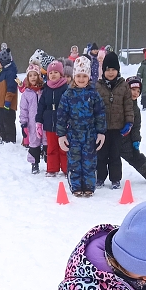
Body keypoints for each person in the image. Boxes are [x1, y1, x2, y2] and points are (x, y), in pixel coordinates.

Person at [56, 56, 106, 197]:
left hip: (90, 134)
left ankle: (89, 186)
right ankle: (76, 186)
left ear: (89, 77)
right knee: (74, 161)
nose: (81, 79)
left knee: (89, 161)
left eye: (84, 76)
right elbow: (61, 116)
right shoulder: (68, 94)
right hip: (73, 135)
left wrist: (101, 132)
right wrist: (61, 135)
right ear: (74, 76)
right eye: (78, 76)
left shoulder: (94, 94)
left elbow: (100, 113)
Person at [95, 51, 134, 190]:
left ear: (118, 70)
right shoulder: (98, 86)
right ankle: (99, 177)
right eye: (108, 70)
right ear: (103, 71)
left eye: (113, 69)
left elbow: (129, 105)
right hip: (102, 129)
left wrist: (129, 122)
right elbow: (94, 107)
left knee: (115, 155)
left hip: (118, 128)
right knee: (101, 155)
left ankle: (115, 179)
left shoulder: (123, 86)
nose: (110, 73)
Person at [120, 76, 146, 184]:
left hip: (126, 140)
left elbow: (136, 127)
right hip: (112, 137)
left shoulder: (136, 109)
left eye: (138, 91)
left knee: (136, 157)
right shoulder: (118, 103)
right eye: (133, 89)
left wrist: (135, 141)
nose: (135, 93)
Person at [35, 60, 69, 177]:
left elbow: (70, 106)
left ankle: (66, 169)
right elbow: (41, 106)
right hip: (49, 123)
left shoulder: (66, 88)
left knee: (64, 148)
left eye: (56, 72)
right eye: (51, 73)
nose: (53, 74)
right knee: (51, 148)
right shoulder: (46, 89)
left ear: (61, 74)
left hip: (63, 124)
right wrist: (38, 121)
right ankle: (52, 169)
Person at [19, 63, 46, 174]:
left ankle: (50, 162)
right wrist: (23, 123)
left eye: (35, 75)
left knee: (46, 141)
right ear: (27, 78)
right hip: (32, 123)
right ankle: (34, 163)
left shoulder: (44, 91)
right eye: (31, 75)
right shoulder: (26, 93)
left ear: (39, 76)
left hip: (44, 121)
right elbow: (23, 109)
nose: (33, 77)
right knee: (34, 143)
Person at [0, 49, 18, 143]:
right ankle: (4, 138)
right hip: (1, 103)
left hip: (8, 104)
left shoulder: (10, 73)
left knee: (9, 122)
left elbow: (11, 89)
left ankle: (10, 140)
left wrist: (7, 102)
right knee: (2, 122)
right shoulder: (4, 71)